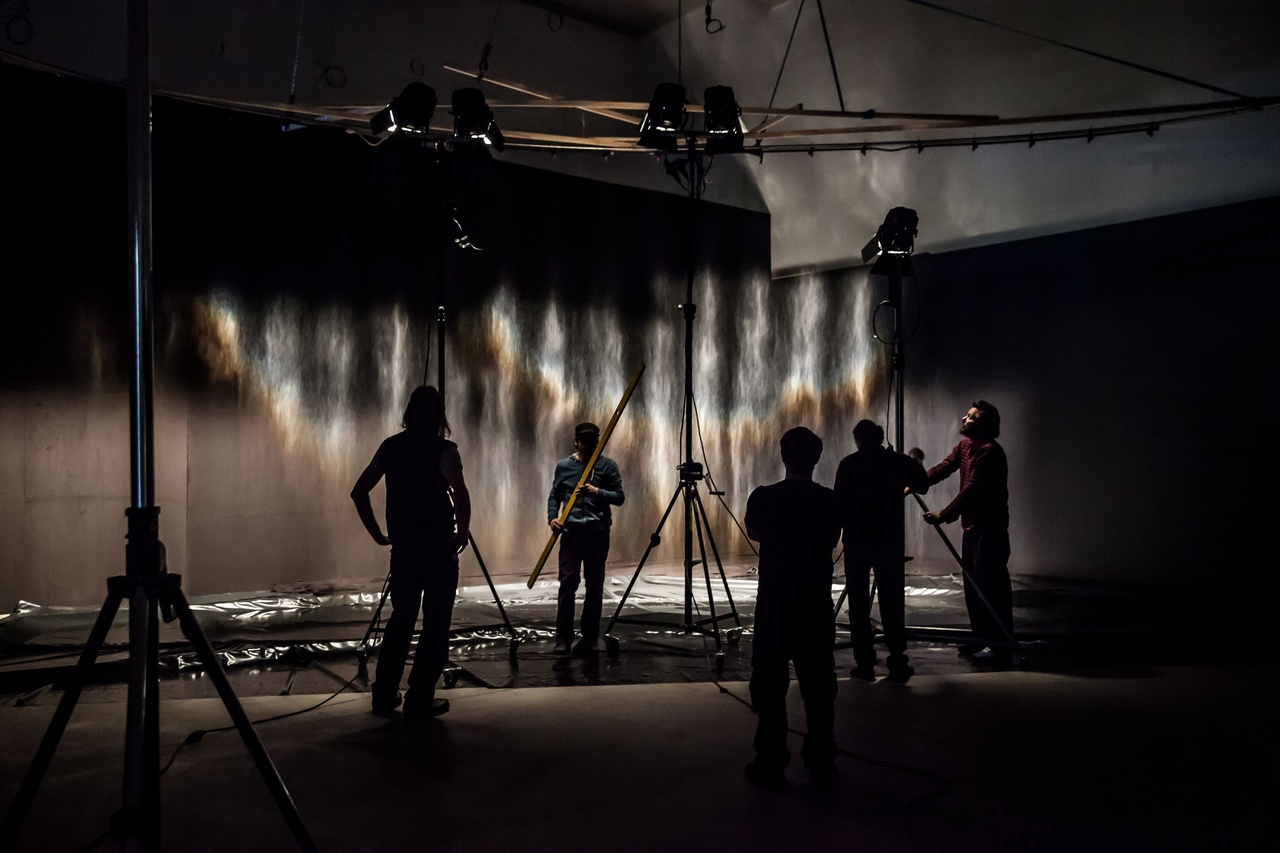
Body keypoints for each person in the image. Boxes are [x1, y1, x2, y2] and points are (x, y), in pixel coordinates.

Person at [351, 385, 471, 718]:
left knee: (401, 620)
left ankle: (384, 694)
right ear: (439, 416)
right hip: (437, 549)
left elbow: (359, 491)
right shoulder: (444, 449)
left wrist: (378, 533)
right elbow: (459, 493)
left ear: (408, 413)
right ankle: (419, 697)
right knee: (435, 623)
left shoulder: (390, 447)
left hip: (404, 550)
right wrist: (461, 532)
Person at [743, 427, 843, 790]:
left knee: (768, 683)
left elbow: (754, 532)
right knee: (818, 684)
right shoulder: (830, 501)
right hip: (815, 603)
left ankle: (770, 759)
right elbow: (832, 539)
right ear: (816, 459)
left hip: (774, 602)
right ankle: (820, 759)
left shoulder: (764, 497)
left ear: (782, 457)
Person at [832, 420, 929, 682]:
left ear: (858, 440)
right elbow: (923, 484)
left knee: (859, 605)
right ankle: (897, 659)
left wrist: (834, 537)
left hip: (857, 543)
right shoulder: (896, 462)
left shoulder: (849, 464)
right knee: (892, 602)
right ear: (881, 437)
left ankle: (864, 663)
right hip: (889, 542)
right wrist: (914, 462)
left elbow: (838, 504)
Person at [923, 400, 1012, 668]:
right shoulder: (964, 447)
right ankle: (980, 639)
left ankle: (1000, 646)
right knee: (974, 587)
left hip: (990, 531)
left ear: (984, 425)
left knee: (990, 588)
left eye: (971, 417)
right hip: (972, 529)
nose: (964, 418)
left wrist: (943, 515)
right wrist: (915, 482)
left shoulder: (989, 452)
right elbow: (943, 468)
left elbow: (972, 490)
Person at [546, 422, 625, 656]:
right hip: (571, 535)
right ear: (576, 442)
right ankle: (563, 638)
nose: (589, 444)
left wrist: (597, 492)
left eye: (593, 440)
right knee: (567, 584)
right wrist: (553, 518)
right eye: (584, 440)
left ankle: (590, 637)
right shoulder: (564, 467)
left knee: (594, 585)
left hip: (597, 534)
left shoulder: (608, 466)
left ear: (598, 441)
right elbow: (554, 496)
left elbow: (620, 497)